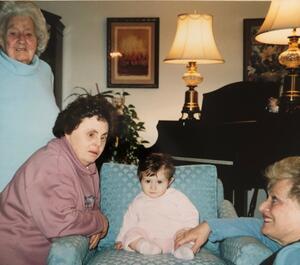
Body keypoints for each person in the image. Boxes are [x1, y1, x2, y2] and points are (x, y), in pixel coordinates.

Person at [0, 93, 118, 265]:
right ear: (68, 131)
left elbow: (92, 208)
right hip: (14, 254)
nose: (98, 144)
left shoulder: (88, 165)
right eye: (91, 134)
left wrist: (95, 221)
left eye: (103, 137)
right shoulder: (53, 164)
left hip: (44, 253)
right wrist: (101, 222)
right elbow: (60, 223)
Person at [175, 156, 300, 265]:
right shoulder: (286, 243)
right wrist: (209, 226)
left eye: (275, 200)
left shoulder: (293, 255)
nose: (261, 207)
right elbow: (255, 226)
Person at [0, 1, 59, 191]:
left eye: (28, 33)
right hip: (5, 183)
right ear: (2, 38)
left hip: (42, 182)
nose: (21, 39)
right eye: (13, 32)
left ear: (38, 39)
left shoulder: (46, 71)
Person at [115, 153, 199, 260]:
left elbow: (191, 213)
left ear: (169, 181)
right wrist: (121, 238)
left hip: (174, 238)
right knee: (131, 234)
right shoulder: (138, 200)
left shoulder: (176, 196)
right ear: (140, 179)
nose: (153, 187)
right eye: (148, 181)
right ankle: (144, 246)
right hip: (148, 238)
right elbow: (129, 220)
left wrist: (189, 230)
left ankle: (184, 250)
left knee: (188, 237)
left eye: (159, 182)